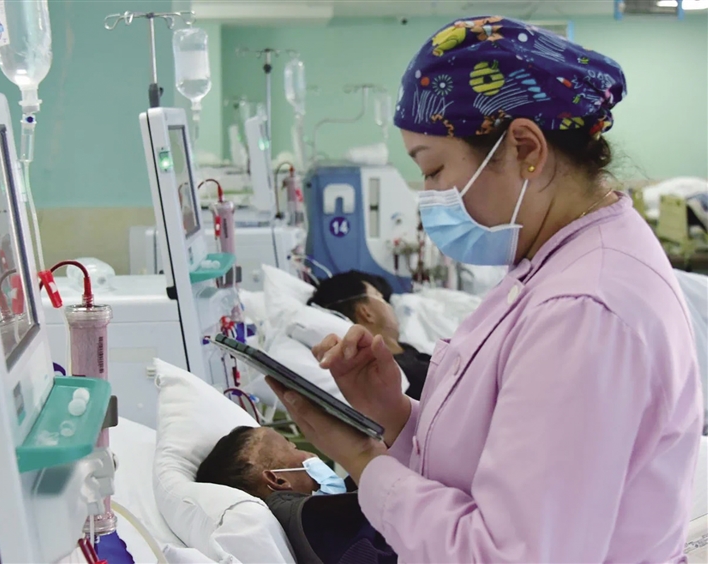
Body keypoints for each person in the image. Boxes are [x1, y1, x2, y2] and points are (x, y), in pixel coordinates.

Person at [266, 16, 704, 563]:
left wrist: (362, 460)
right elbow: (495, 460)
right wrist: (395, 413)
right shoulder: (551, 261)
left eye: (433, 170)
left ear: (525, 148)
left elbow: (511, 555)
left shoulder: (584, 310)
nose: (428, 197)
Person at [197, 426, 396, 564]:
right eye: (292, 448)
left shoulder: (319, 520)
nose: (312, 455)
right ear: (278, 480)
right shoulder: (317, 524)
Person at [308, 271, 430, 400]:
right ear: (366, 312)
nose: (390, 306)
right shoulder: (396, 376)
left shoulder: (406, 351)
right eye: (380, 298)